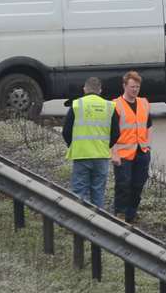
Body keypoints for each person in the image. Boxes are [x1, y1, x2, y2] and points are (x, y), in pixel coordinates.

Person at [62, 76, 116, 209]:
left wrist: (73, 145)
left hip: (81, 155)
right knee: (98, 193)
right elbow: (116, 133)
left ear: (84, 89)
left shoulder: (77, 104)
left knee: (80, 193)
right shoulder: (109, 106)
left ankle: (81, 225)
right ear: (100, 90)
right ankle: (98, 225)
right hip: (101, 157)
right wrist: (105, 146)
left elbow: (66, 131)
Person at [112, 70, 152, 223]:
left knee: (138, 184)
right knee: (123, 184)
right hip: (123, 153)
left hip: (141, 151)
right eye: (132, 87)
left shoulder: (144, 103)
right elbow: (112, 132)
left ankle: (132, 213)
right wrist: (114, 152)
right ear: (124, 86)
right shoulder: (116, 105)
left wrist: (148, 147)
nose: (135, 90)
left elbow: (148, 126)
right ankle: (120, 213)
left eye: (137, 87)